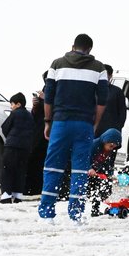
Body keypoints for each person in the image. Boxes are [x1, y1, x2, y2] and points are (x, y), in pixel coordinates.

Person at [38, 34, 109, 224]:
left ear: (73, 47)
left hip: (60, 123)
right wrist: (95, 123)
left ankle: (47, 214)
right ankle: (75, 215)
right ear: (90, 50)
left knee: (52, 167)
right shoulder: (99, 68)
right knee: (80, 170)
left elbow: (48, 97)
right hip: (84, 124)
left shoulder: (57, 64)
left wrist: (47, 122)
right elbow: (102, 101)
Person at [0, 93, 35, 204]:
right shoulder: (29, 115)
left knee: (7, 169)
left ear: (18, 104)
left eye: (12, 104)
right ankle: (18, 194)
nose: (11, 106)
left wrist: (9, 138)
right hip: (25, 147)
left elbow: (5, 127)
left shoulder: (14, 114)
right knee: (21, 170)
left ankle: (6, 195)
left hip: (12, 146)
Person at [24, 71, 49, 195]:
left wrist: (45, 99)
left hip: (50, 131)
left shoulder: (58, 92)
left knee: (42, 160)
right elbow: (36, 113)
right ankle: (31, 187)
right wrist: (35, 105)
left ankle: (38, 187)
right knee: (33, 158)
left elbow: (54, 108)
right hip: (39, 130)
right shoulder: (45, 90)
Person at [88, 128, 121, 217]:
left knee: (101, 188)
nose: (112, 148)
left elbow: (109, 164)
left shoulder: (109, 151)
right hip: (88, 171)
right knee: (91, 189)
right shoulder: (94, 145)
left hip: (97, 172)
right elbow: (85, 157)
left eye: (114, 147)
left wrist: (110, 174)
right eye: (110, 146)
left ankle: (95, 210)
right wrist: (89, 168)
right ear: (105, 141)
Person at [95, 64, 127, 137]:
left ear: (110, 76)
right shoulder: (92, 90)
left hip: (111, 131)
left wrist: (117, 128)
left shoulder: (117, 91)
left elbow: (122, 112)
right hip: (94, 130)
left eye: (105, 75)